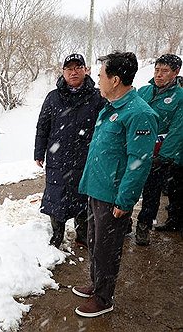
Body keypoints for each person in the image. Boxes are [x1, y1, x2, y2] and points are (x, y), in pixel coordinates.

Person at [73, 52, 158, 318]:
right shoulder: (110, 107)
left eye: (100, 75)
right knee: (94, 242)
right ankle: (96, 284)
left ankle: (103, 297)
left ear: (116, 79)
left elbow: (139, 162)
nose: (96, 80)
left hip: (113, 196)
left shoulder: (140, 114)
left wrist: (125, 201)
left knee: (107, 249)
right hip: (96, 189)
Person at [34, 53, 105, 248]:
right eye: (69, 68)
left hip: (86, 157)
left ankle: (82, 234)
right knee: (56, 196)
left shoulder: (97, 96)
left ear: (85, 70)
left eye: (77, 67)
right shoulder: (53, 97)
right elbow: (43, 126)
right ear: (63, 72)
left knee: (84, 196)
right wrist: (39, 152)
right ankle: (58, 234)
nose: (73, 72)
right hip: (58, 158)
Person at [135, 54, 183, 245]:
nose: (159, 75)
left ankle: (144, 225)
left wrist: (164, 156)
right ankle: (121, 224)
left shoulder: (180, 98)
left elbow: (178, 130)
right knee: (130, 187)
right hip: (137, 150)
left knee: (152, 193)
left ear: (175, 73)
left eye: (164, 71)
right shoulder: (143, 91)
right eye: (156, 70)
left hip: (158, 155)